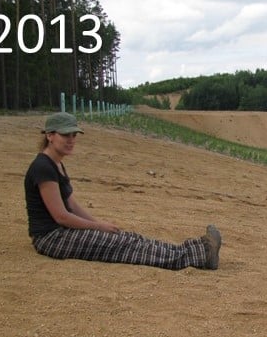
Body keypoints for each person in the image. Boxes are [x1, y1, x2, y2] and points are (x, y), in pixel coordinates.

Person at [24, 112, 222, 270]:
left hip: (63, 232)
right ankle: (201, 257)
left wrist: (98, 223)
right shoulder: (43, 167)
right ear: (49, 135)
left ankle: (198, 247)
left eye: (74, 135)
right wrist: (98, 228)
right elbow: (61, 216)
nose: (71, 140)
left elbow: (72, 205)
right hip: (52, 238)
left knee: (130, 239)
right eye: (65, 134)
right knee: (124, 248)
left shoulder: (56, 165)